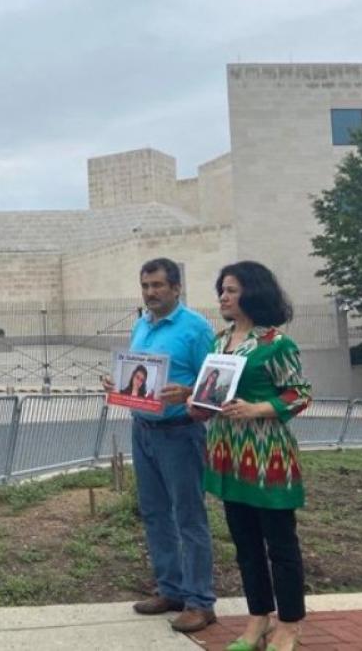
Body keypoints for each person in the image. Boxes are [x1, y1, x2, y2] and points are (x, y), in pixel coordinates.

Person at [189, 261, 312, 651]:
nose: (223, 297)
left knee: (281, 545)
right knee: (245, 545)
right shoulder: (217, 341)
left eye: (231, 290)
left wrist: (256, 408)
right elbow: (211, 393)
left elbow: (300, 393)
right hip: (228, 455)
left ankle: (289, 624)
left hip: (266, 457)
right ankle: (258, 619)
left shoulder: (276, 344)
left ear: (253, 294)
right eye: (221, 290)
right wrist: (196, 404)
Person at [102, 257, 217, 633]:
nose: (150, 293)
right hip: (144, 431)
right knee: (154, 513)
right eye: (146, 286)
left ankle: (200, 602)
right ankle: (171, 589)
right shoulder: (142, 324)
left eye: (158, 286)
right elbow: (140, 376)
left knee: (189, 517)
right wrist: (118, 388)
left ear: (176, 288)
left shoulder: (196, 328)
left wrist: (186, 392)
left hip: (181, 433)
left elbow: (213, 384)